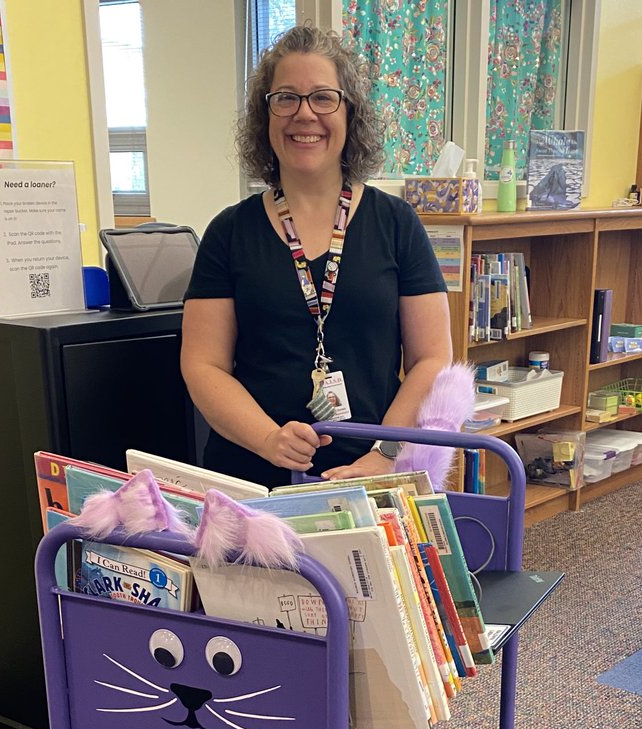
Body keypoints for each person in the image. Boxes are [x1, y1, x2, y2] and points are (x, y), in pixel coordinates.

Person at [180, 24, 452, 491]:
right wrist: (268, 438)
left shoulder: (397, 224)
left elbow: (432, 358)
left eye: (323, 98)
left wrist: (385, 453)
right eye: (285, 98)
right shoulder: (228, 232)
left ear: (350, 114)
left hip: (372, 477)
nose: (304, 114)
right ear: (264, 117)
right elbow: (203, 365)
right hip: (251, 478)